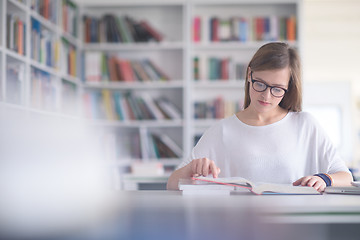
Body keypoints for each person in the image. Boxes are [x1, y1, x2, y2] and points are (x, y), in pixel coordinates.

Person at [167, 42, 353, 191]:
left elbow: (345, 177)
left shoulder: (305, 125)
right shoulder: (222, 131)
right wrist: (192, 168)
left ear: (288, 88)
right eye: (260, 84)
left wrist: (323, 179)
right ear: (249, 74)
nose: (266, 96)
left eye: (277, 89)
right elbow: (172, 184)